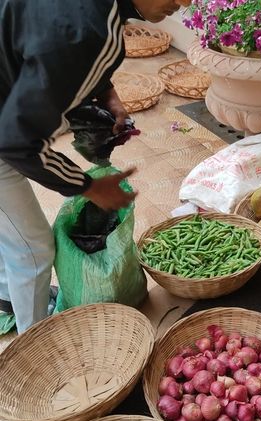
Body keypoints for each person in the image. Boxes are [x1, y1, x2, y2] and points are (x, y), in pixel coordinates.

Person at [0, 0, 189, 334]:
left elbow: (53, 50)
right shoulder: (88, 33)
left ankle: (6, 292)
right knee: (33, 251)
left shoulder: (93, 18)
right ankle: (35, 346)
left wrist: (104, 91)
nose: (185, 2)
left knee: (11, 230)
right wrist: (87, 186)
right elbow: (15, 143)